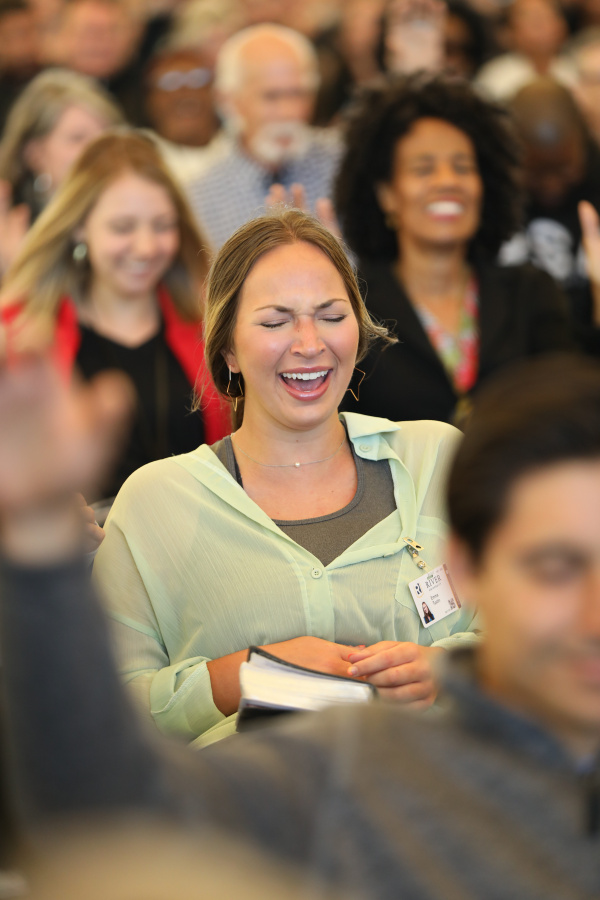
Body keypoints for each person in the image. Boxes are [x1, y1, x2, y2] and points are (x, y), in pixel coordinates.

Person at [1, 352, 600, 900]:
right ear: (468, 568)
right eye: (555, 569)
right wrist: (40, 557)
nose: (593, 616)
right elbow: (112, 821)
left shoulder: (431, 454)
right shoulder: (367, 770)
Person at [93, 207, 479, 749]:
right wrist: (247, 674)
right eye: (276, 322)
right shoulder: (155, 502)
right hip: (241, 799)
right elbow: (106, 713)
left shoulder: (437, 458)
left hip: (431, 790)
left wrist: (448, 669)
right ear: (228, 348)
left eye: (331, 315)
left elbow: (529, 637)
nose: (309, 343)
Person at [0, 130, 230, 501]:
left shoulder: (213, 323)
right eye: (123, 227)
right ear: (79, 226)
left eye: (162, 225)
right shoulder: (19, 332)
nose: (146, 247)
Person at [336, 74, 575, 427]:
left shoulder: (531, 292)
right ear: (386, 194)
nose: (448, 181)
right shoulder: (352, 306)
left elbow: (573, 409)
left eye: (463, 167)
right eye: (424, 169)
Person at [187, 24, 342, 250]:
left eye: (298, 93)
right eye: (271, 96)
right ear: (228, 100)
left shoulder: (342, 164)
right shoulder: (200, 193)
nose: (288, 112)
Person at [499, 78, 600, 352]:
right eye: (536, 173)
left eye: (564, 168)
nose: (552, 185)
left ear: (583, 143)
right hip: (517, 358)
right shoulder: (493, 196)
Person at [0, 67, 123, 275]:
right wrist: (16, 274)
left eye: (106, 136)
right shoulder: (10, 224)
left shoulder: (131, 206)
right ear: (35, 154)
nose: (99, 149)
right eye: (77, 138)